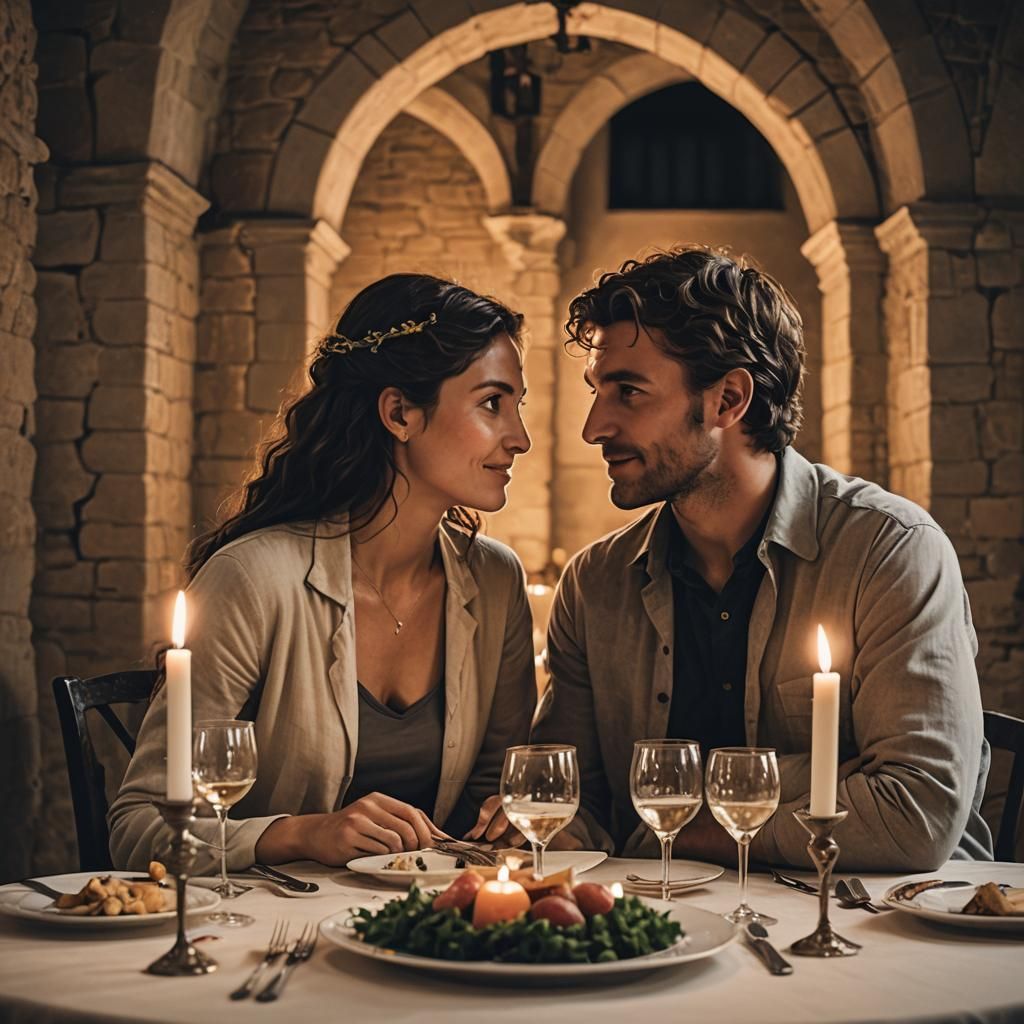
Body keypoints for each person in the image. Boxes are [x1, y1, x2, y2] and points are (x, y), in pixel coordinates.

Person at [534, 245, 992, 872]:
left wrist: (674, 818)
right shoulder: (594, 584)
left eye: (629, 392)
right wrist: (825, 786)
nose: (594, 426)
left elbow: (916, 815)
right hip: (673, 932)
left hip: (880, 932)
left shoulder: (890, 550)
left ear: (728, 400)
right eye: (597, 391)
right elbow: (571, 804)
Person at [109, 273, 536, 871]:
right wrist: (297, 835)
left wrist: (507, 821)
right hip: (273, 933)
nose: (521, 438)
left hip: (428, 933)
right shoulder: (254, 579)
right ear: (399, 413)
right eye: (492, 404)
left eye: (518, 406)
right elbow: (140, 824)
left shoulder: (495, 582)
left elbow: (494, 790)